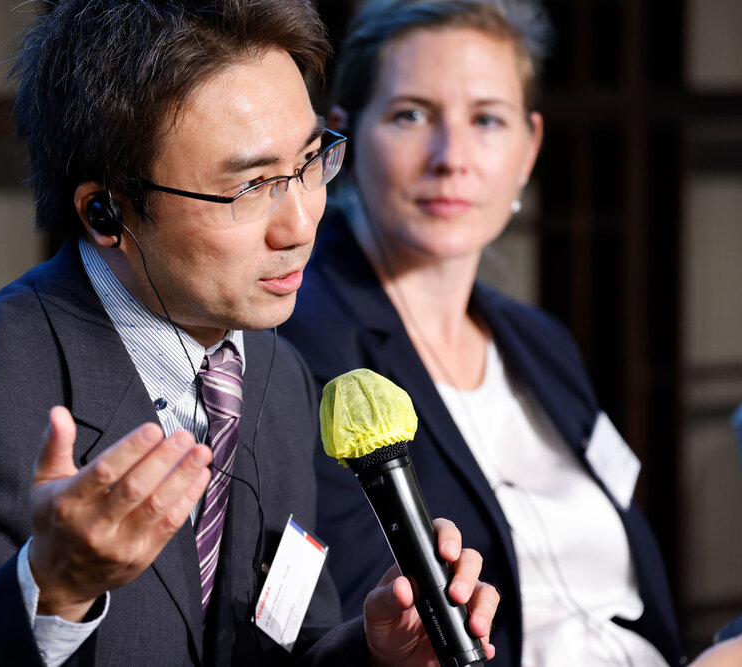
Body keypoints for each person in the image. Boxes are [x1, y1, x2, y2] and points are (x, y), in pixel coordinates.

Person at [0, 1, 500, 665]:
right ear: (106, 210)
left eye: (307, 162)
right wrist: (52, 590)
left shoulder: (271, 369)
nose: (300, 223)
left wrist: (377, 653)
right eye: (252, 185)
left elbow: (279, 642)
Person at [280, 0, 684, 665]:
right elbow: (343, 626)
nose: (452, 157)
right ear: (342, 139)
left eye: (487, 120)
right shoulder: (304, 341)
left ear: (529, 148)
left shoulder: (540, 339)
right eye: (411, 114)